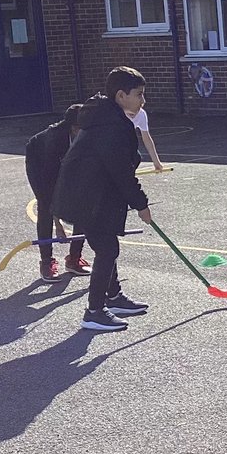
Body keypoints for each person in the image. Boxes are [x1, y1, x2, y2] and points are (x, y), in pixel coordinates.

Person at [52, 67, 153, 331]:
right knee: (108, 249)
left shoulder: (110, 118)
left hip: (96, 195)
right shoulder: (109, 125)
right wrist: (141, 203)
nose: (143, 101)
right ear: (121, 95)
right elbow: (120, 170)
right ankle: (94, 311)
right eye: (139, 94)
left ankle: (114, 297)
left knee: (108, 244)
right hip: (86, 198)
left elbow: (120, 167)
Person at [24, 104, 87, 282]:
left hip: (67, 163)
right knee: (45, 207)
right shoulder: (52, 142)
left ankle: (74, 258)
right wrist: (58, 226)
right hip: (39, 162)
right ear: (74, 128)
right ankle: (46, 261)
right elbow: (49, 190)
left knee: (83, 205)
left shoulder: (86, 136)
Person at [127, 105, 166, 172]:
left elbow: (146, 138)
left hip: (125, 141)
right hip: (112, 140)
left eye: (135, 113)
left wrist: (156, 162)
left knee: (136, 157)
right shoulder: (118, 113)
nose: (132, 116)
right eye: (129, 113)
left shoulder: (141, 114)